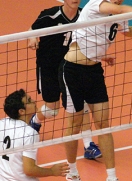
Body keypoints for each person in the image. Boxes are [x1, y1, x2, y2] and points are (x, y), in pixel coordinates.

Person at [58, 0, 132, 181]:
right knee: (73, 126)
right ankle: (72, 173)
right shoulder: (96, 4)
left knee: (103, 125)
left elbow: (127, 31)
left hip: (94, 72)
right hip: (72, 72)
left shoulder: (115, 12)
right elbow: (120, 10)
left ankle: (112, 178)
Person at [28, 0, 102, 160]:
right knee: (52, 109)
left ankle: (88, 145)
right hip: (48, 67)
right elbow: (32, 30)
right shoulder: (49, 15)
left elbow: (91, 40)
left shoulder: (85, 14)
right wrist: (32, 38)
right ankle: (35, 119)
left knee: (81, 105)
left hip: (71, 66)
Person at [0, 89, 69, 181]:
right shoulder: (29, 134)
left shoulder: (3, 124)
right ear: (21, 110)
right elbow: (29, 169)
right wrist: (52, 171)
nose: (34, 102)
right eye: (30, 101)